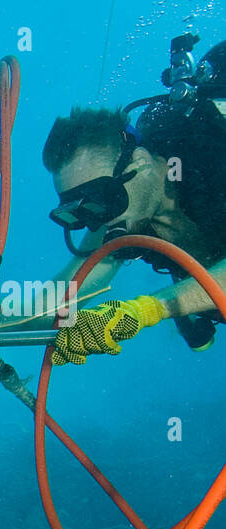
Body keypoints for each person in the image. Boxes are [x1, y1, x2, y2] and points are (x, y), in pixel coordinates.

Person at [41, 39, 226, 365]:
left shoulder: (212, 162)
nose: (98, 220)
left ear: (138, 163)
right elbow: (62, 296)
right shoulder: (118, 213)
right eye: (79, 212)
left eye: (102, 198)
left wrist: (146, 309)